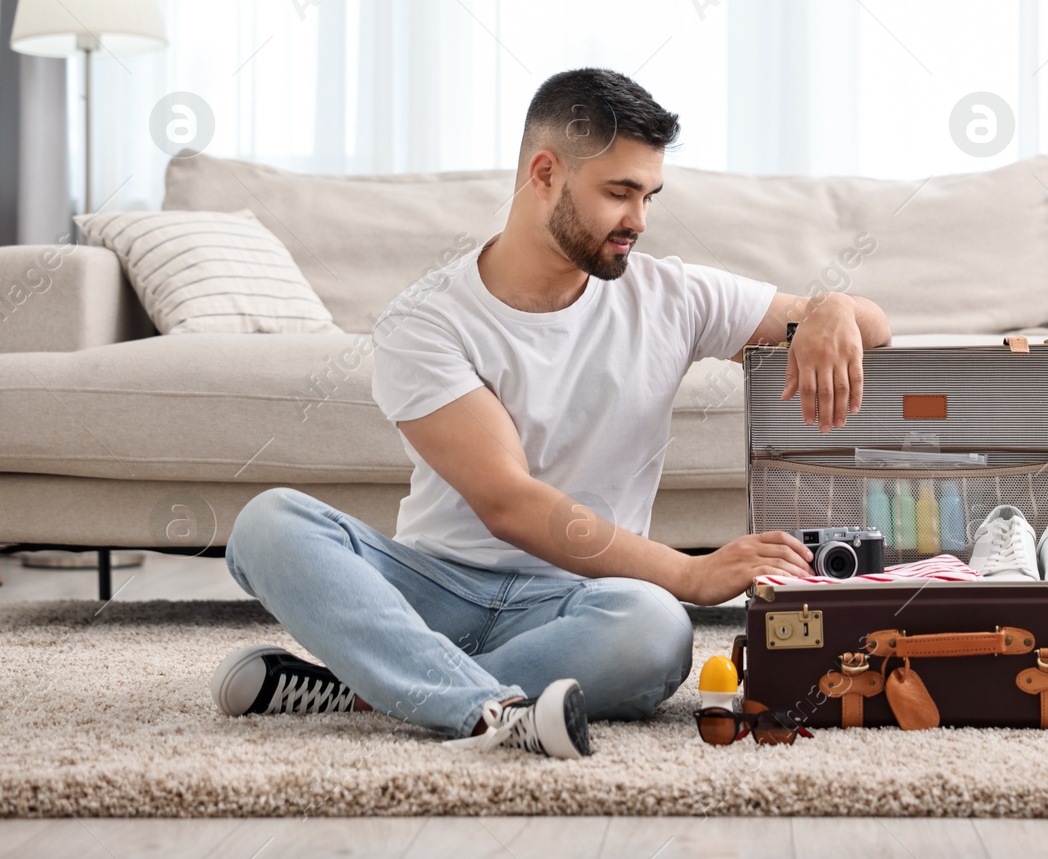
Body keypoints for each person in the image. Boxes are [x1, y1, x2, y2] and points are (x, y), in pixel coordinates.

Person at [211, 68, 892, 758]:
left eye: (650, 195)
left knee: (655, 628)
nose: (640, 220)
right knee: (270, 521)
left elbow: (874, 325)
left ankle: (382, 685)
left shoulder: (673, 295)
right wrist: (688, 572)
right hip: (434, 588)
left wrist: (828, 307)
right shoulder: (426, 321)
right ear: (544, 173)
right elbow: (508, 501)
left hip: (580, 606)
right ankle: (484, 706)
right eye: (619, 193)